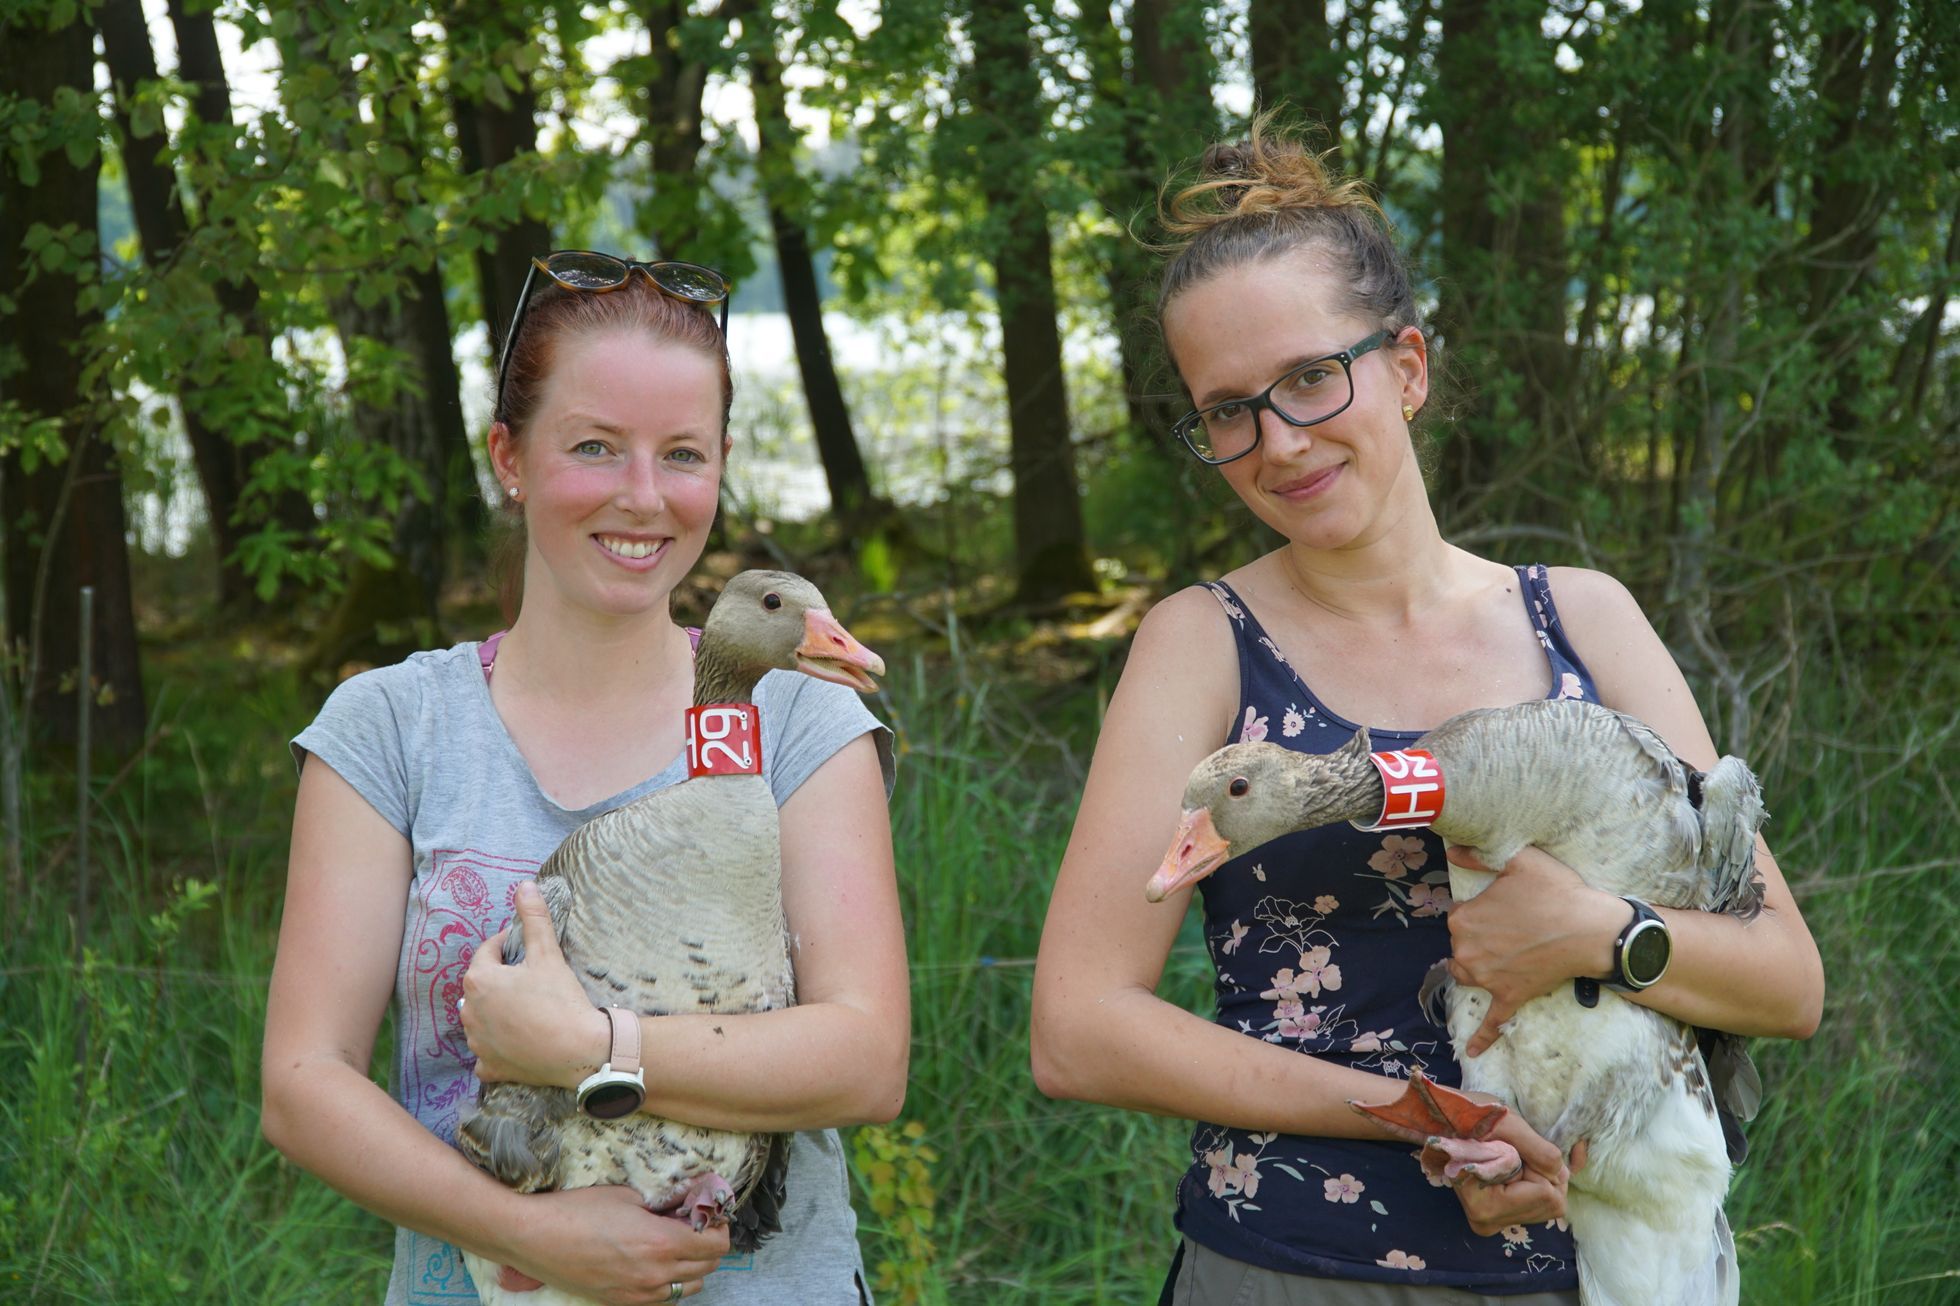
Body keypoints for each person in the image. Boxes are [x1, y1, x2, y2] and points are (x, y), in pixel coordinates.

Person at [1029, 118, 1823, 1302]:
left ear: (1406, 366)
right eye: (1228, 409)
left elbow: (1785, 980)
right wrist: (1421, 1117)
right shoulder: (1199, 644)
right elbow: (1077, 1027)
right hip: (1288, 1268)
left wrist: (1599, 933)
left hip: (1592, 1269)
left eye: (1310, 377)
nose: (1277, 442)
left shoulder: (1584, 624)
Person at [263, 252, 909, 1305]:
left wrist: (590, 1045)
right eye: (596, 446)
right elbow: (302, 1085)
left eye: (683, 453)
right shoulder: (390, 728)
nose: (644, 497)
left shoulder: (802, 721)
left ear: (721, 465)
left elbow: (865, 1061)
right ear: (508, 456)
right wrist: (532, 1233)